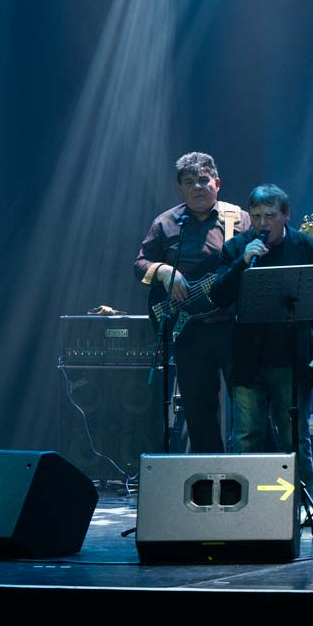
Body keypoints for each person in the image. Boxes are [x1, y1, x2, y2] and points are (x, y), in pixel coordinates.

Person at [210, 184, 313, 484]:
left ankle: (300, 504)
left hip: (291, 360)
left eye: (270, 216)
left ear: (286, 214)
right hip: (247, 359)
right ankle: (247, 504)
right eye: (256, 216)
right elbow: (218, 296)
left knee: (295, 437)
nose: (262, 223)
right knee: (246, 436)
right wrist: (242, 263)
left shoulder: (310, 249)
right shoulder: (236, 248)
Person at [134, 152, 249, 453]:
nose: (198, 187)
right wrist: (163, 271)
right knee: (199, 412)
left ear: (217, 183)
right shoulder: (165, 223)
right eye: (189, 182)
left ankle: (252, 471)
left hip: (233, 328)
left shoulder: (237, 219)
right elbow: (140, 264)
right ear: (180, 189)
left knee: (248, 407)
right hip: (188, 331)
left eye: (203, 180)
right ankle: (209, 474)